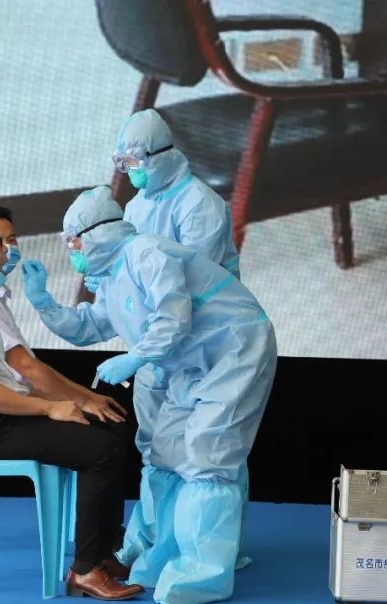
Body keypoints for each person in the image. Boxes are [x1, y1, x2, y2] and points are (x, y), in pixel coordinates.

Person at [20, 186, 277, 604]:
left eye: (73, 240)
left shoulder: (147, 253)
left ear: (96, 232)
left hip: (234, 351)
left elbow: (172, 316)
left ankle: (204, 572)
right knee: (166, 453)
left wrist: (134, 358)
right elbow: (89, 327)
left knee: (207, 454)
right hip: (190, 365)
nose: (72, 251)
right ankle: (164, 552)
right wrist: (44, 303)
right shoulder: (112, 274)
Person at [0, 210, 143, 601]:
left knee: (111, 427)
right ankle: (85, 570)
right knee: (101, 450)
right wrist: (50, 408)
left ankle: (104, 550)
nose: (6, 252)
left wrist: (61, 401)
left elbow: (2, 382)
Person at [110, 108, 251, 573]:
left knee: (209, 453)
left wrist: (146, 344)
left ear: (164, 155)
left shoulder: (200, 206)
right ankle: (153, 541)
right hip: (157, 348)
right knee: (156, 449)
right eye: (123, 162)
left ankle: (208, 553)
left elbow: (188, 291)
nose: (130, 171)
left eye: (137, 161)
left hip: (207, 347)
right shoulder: (136, 208)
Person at [0, 204, 140, 560]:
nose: (9, 249)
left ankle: (107, 537)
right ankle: (94, 558)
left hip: (8, 409)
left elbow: (31, 368)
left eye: (12, 240)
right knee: (104, 443)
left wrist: (81, 398)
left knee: (111, 423)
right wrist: (81, 400)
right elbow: (27, 369)